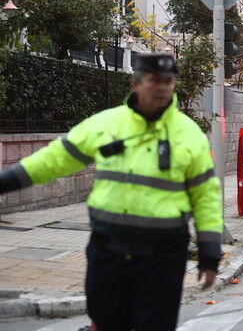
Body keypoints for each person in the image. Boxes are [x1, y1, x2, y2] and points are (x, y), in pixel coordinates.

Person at [0, 54, 223, 331]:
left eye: (168, 81)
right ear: (136, 84)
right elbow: (52, 159)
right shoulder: (106, 124)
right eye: (155, 80)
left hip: (163, 258)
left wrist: (210, 251)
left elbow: (206, 198)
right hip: (109, 252)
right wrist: (5, 182)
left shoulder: (189, 135)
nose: (163, 88)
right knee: (105, 323)